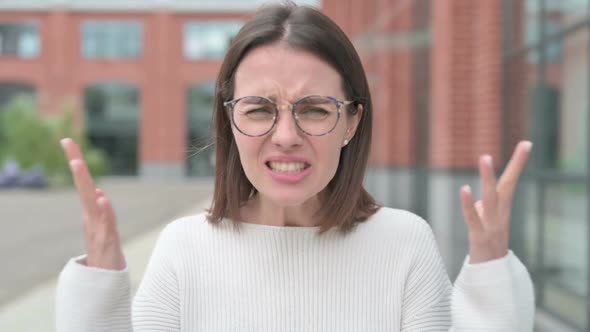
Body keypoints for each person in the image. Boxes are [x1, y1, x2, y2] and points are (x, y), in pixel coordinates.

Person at [56, 2, 535, 331]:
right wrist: (99, 285)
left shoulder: (404, 244)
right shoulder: (185, 250)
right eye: (259, 109)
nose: (286, 136)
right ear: (230, 122)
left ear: (351, 121)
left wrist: (492, 278)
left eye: (315, 109)